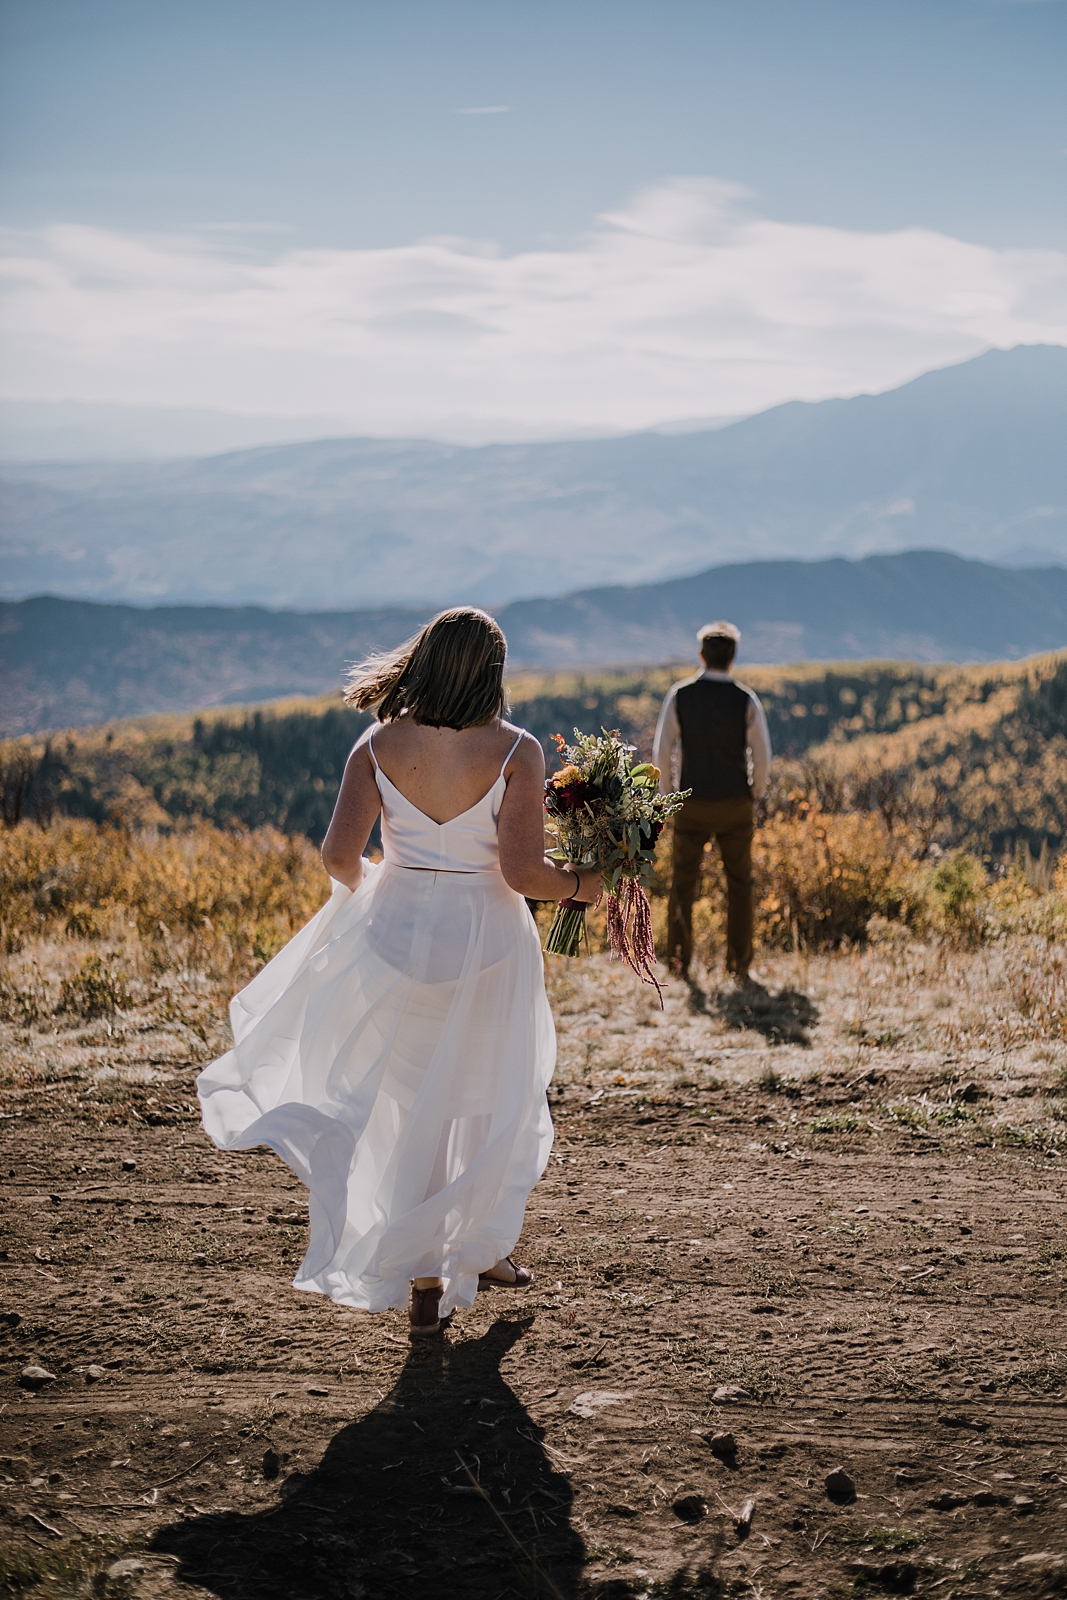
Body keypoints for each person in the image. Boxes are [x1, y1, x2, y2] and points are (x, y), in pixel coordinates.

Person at [196, 608, 600, 1338]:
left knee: (412, 1103)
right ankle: (480, 1251)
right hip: (486, 941)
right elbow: (521, 872)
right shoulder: (516, 749)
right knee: (483, 1098)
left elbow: (337, 859)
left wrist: (391, 885)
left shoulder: (377, 745)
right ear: (490, 674)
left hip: (398, 934)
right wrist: (585, 885)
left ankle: (422, 1278)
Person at [652, 621, 771, 985]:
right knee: (740, 885)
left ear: (701, 655)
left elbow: (662, 751)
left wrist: (668, 797)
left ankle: (677, 962)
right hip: (736, 802)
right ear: (733, 658)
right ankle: (738, 964)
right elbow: (763, 755)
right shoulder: (745, 698)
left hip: (691, 802)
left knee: (683, 884)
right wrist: (754, 792)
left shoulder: (680, 694)